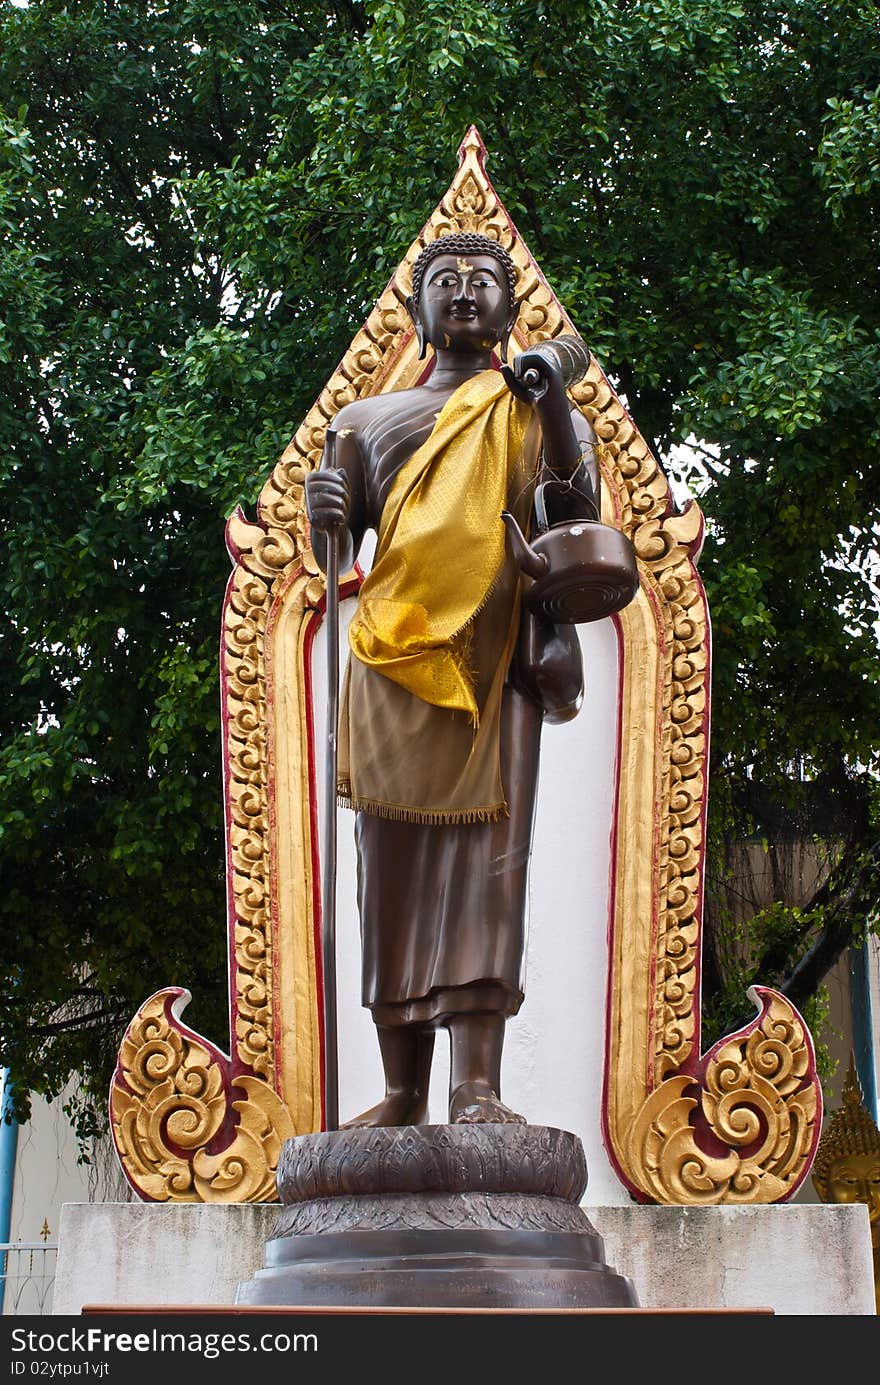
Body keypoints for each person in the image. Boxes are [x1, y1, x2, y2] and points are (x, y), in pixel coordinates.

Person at [305, 232, 600, 1127]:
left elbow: (573, 512)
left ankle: (476, 1085)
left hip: (497, 658)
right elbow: (336, 553)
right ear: (414, 309)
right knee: (387, 875)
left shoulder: (537, 410)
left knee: (487, 874)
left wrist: (550, 403)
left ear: (513, 310)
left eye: (483, 280)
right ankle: (402, 1088)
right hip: (395, 663)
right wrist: (324, 519)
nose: (465, 292)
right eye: (445, 280)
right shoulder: (365, 421)